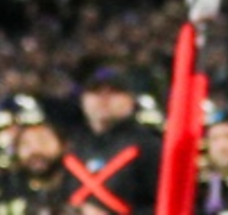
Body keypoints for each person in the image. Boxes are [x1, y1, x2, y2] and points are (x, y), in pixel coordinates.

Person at [63, 68, 161, 215]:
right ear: (83, 100)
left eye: (114, 92)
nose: (104, 99)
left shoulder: (149, 146)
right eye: (95, 92)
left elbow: (167, 205)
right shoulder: (74, 146)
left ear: (131, 100)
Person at [0, 120, 73, 215]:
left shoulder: (80, 177)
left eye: (43, 141)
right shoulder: (14, 197)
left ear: (63, 145)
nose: (35, 150)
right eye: (26, 145)